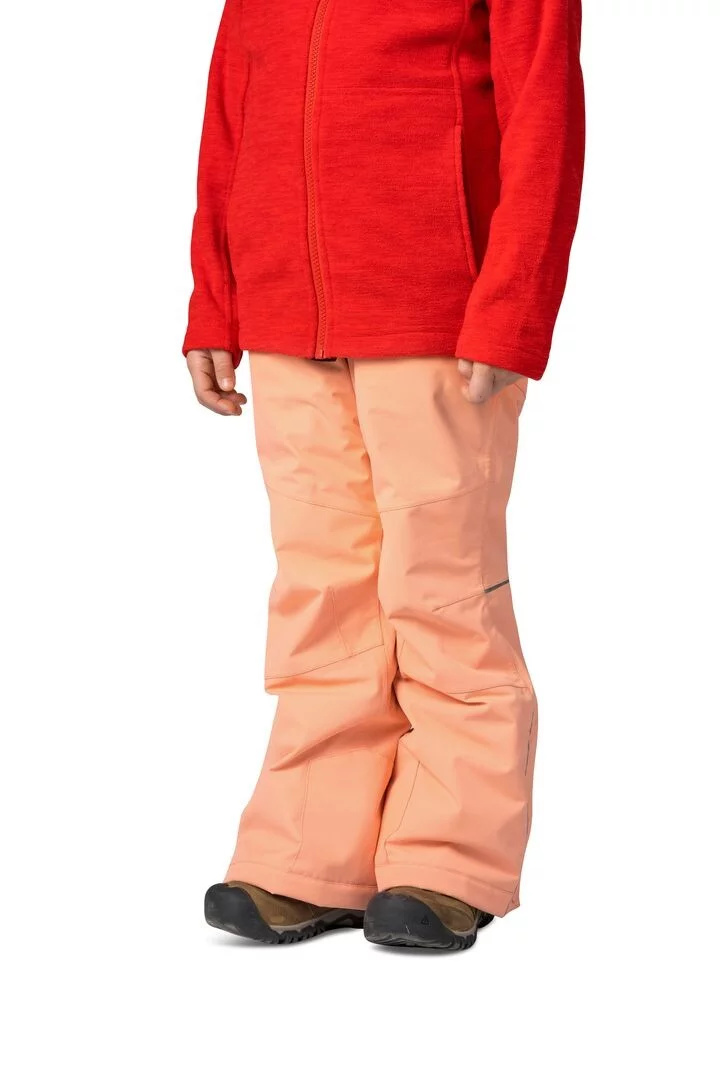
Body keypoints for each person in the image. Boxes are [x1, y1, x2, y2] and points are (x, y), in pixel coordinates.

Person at [184, 0, 584, 950]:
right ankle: (310, 853)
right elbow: (232, 104)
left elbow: (544, 110)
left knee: (442, 590)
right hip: (285, 310)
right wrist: (215, 299)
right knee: (319, 590)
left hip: (438, 313)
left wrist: (512, 307)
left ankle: (450, 857)